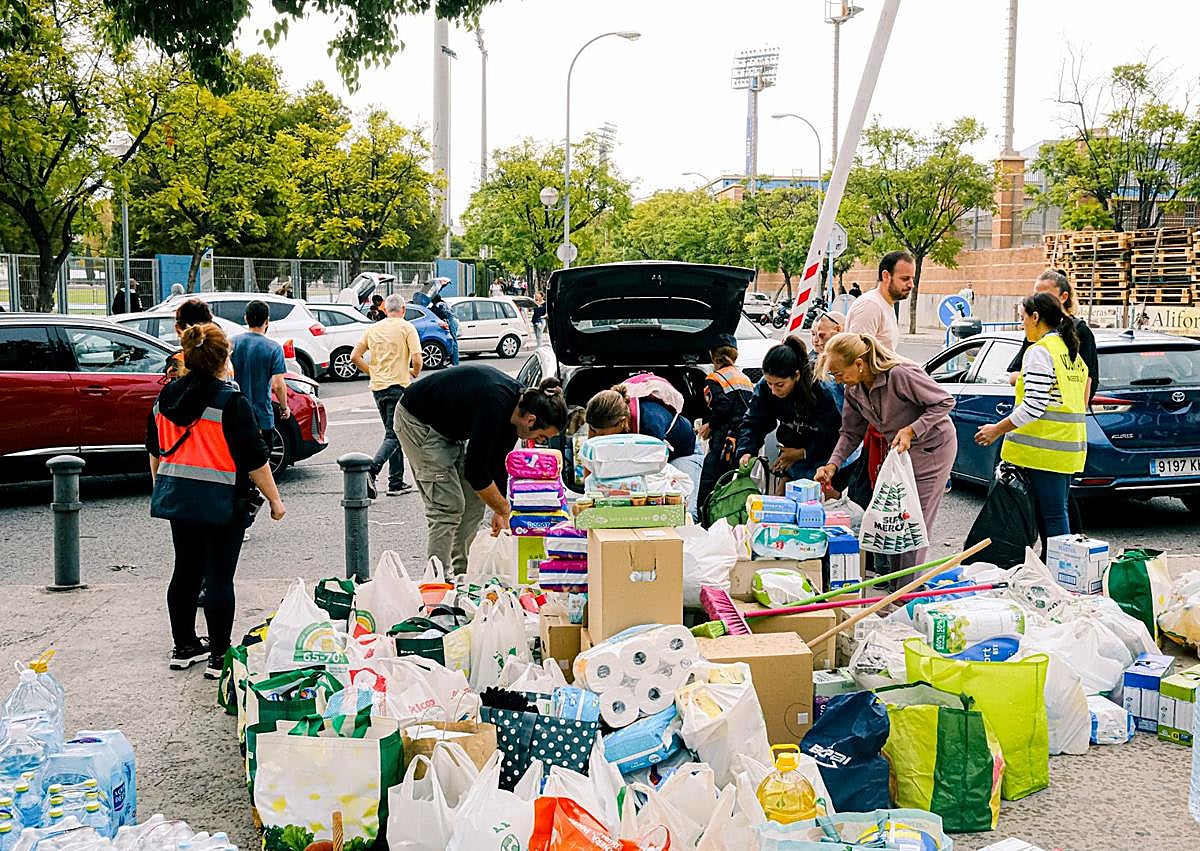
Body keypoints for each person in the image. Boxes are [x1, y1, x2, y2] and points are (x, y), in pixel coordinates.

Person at [146, 323, 285, 677]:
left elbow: (155, 450)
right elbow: (255, 459)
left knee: (185, 571)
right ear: (224, 358)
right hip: (223, 500)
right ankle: (219, 657)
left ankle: (184, 646)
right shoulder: (230, 401)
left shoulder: (165, 398)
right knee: (220, 578)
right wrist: (275, 500)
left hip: (180, 497)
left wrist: (160, 484)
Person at [395, 365, 567, 575]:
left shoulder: (515, 412)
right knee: (447, 506)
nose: (541, 441)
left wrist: (498, 506)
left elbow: (496, 464)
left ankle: (463, 573)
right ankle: (437, 580)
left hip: (449, 426)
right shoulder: (495, 403)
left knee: (475, 500)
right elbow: (476, 471)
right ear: (531, 420)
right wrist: (504, 509)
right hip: (418, 421)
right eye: (542, 436)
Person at [814, 332, 956, 570]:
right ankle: (898, 587)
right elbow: (850, 433)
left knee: (913, 524)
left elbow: (944, 401)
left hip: (933, 448)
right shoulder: (854, 390)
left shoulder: (900, 374)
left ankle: (905, 593)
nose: (837, 380)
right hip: (900, 454)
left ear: (859, 363)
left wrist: (912, 430)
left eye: (839, 373)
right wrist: (832, 465)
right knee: (895, 520)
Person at [974, 292, 1087, 544]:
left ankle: (1061, 574)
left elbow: (1034, 406)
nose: (1021, 323)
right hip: (1066, 449)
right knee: (1056, 514)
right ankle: (1056, 571)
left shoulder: (1040, 351)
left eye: (1022, 317)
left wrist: (996, 429)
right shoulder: (1069, 352)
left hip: (1044, 451)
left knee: (1054, 517)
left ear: (1035, 317)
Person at [846, 251, 916, 489]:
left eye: (912, 279)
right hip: (870, 410)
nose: (911, 285)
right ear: (886, 276)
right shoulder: (870, 306)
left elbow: (885, 356)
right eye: (905, 278)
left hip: (881, 411)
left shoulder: (886, 306)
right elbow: (855, 356)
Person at [585, 382, 705, 518]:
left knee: (682, 510)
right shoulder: (602, 418)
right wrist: (589, 498)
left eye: (601, 434)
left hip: (682, 452)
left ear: (621, 422)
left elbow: (650, 474)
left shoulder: (650, 424)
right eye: (593, 430)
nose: (597, 437)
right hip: (654, 454)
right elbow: (590, 457)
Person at [737, 337, 842, 484]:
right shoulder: (765, 388)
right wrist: (746, 450)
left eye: (780, 385)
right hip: (793, 451)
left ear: (796, 376)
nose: (773, 390)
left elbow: (837, 435)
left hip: (829, 457)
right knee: (783, 496)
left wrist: (803, 453)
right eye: (769, 383)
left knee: (822, 500)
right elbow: (755, 421)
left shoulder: (824, 391)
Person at [351, 293, 422, 499]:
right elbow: (417, 358)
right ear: (403, 310)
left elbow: (355, 356)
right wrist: (414, 372)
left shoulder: (372, 328)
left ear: (384, 309)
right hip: (398, 386)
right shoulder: (407, 327)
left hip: (378, 387)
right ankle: (371, 471)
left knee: (393, 432)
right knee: (395, 434)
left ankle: (396, 482)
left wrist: (372, 371)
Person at [1007, 269, 1098, 403]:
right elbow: (1013, 376)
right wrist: (1039, 378)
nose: (1038, 301)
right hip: (1037, 418)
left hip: (1060, 417)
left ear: (1064, 297)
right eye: (1035, 295)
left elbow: (1086, 383)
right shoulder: (1034, 331)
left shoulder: (1080, 332)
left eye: (1045, 296)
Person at [696, 334, 754, 514]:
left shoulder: (715, 378)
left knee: (709, 478)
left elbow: (722, 406)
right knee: (728, 480)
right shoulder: (744, 378)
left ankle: (703, 515)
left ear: (713, 356)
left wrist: (709, 426)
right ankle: (723, 513)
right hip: (740, 437)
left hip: (724, 439)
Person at [230, 301, 289, 448]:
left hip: (234, 416)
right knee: (261, 464)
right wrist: (284, 407)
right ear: (267, 321)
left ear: (245, 318)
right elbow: (278, 384)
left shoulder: (231, 343)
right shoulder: (274, 348)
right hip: (262, 417)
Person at [429, 294, 460, 366]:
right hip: (453, 320)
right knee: (452, 341)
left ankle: (455, 363)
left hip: (451, 321)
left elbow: (439, 313)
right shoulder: (443, 303)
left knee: (453, 342)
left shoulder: (439, 305)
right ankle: (453, 361)